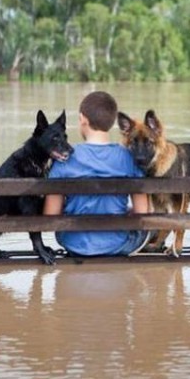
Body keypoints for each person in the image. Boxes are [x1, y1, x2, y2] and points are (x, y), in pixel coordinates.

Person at [43, 91, 150, 256]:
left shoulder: (64, 159)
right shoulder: (129, 158)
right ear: (113, 121)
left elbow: (51, 216)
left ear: (82, 119)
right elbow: (143, 213)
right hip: (118, 244)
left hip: (74, 243)